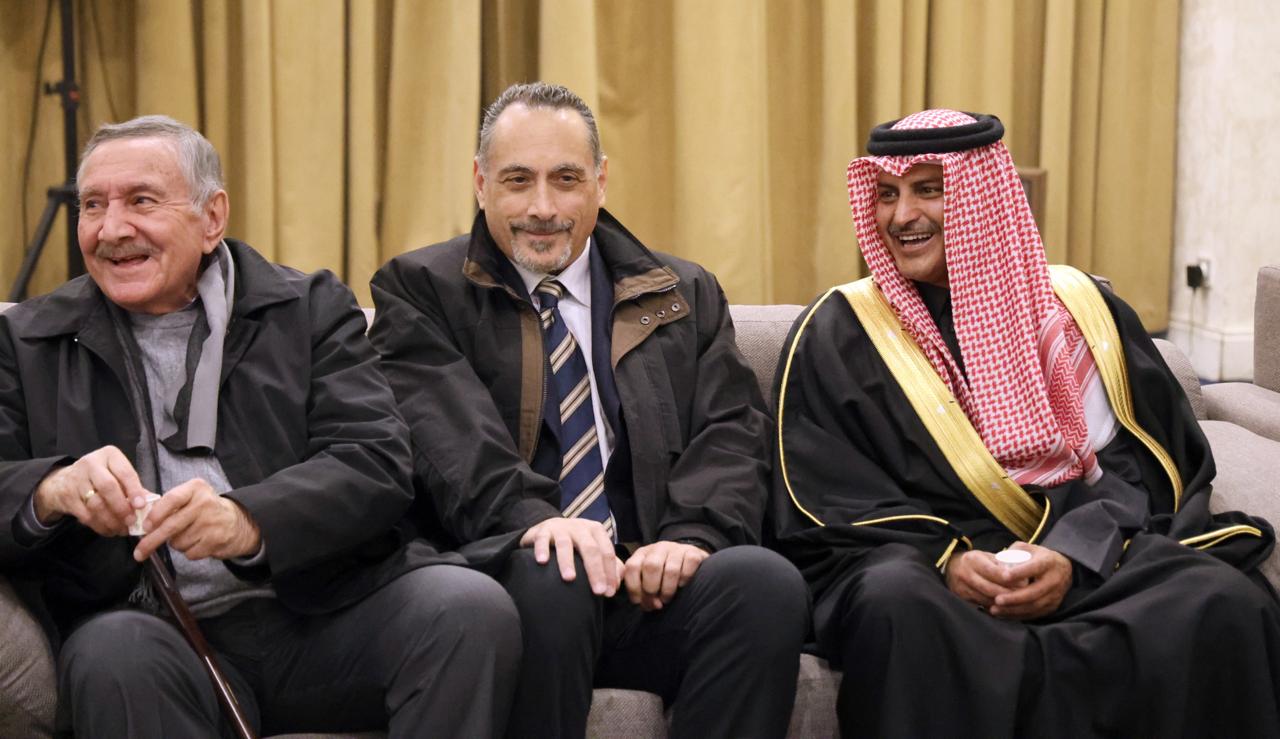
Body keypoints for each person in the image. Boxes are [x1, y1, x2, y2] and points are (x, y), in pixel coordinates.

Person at [0, 115, 520, 738]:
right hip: (155, 630)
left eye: (141, 201)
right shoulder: (27, 340)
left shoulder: (306, 310)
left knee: (467, 609)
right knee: (112, 655)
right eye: (93, 206)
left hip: (323, 607)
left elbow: (375, 460)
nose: (112, 229)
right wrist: (51, 489)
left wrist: (248, 521)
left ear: (212, 217)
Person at [773, 109, 1280, 738]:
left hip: (1089, 552)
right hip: (931, 571)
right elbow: (827, 494)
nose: (902, 216)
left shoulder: (1076, 309)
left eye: (928, 189)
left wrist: (1074, 555)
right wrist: (948, 560)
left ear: (985, 197)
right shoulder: (840, 331)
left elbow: (1142, 466)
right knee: (892, 603)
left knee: (1223, 601)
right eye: (886, 194)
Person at [369, 82, 808, 739]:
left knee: (763, 583)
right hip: (508, 579)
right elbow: (452, 442)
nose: (543, 207)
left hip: (646, 585)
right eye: (518, 180)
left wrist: (692, 537)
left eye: (566, 179)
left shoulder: (683, 293)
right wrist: (538, 523)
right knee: (557, 570)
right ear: (481, 183)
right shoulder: (421, 291)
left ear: (600, 182)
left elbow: (732, 431)